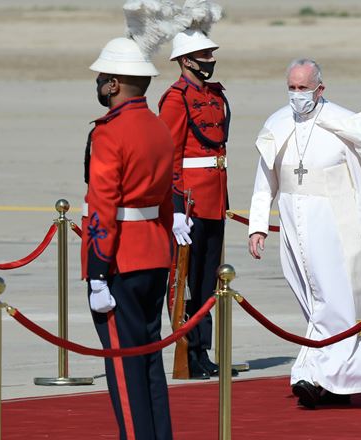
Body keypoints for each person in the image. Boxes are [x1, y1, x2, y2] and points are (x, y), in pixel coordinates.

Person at [247, 58, 361, 409]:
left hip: (337, 229)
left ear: (320, 89)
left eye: (303, 88)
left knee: (335, 303)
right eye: (291, 87)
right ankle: (329, 379)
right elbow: (264, 181)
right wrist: (258, 226)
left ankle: (315, 375)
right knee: (314, 301)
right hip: (295, 229)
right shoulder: (277, 123)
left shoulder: (343, 123)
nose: (297, 94)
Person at [82, 25, 175, 440]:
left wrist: (98, 271)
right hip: (154, 254)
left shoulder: (110, 132)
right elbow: (167, 199)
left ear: (115, 84)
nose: (100, 83)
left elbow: (102, 205)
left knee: (124, 373)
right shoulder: (158, 128)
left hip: (119, 260)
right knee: (149, 367)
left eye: (103, 77)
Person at [159, 1, 233, 380]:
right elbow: (169, 155)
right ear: (186, 61)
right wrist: (174, 208)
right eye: (204, 55)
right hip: (188, 202)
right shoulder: (176, 99)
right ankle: (189, 350)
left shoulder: (214, 95)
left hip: (214, 199)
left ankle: (204, 349)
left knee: (208, 280)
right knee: (187, 281)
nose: (210, 60)